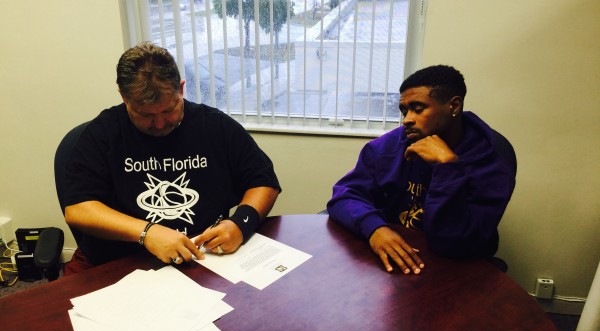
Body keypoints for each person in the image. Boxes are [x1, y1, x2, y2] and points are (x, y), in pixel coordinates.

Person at [62, 42, 281, 275]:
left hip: (203, 258)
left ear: (182, 89)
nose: (159, 124)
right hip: (124, 262)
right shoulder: (102, 134)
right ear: (123, 97)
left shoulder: (215, 127)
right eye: (145, 115)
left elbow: (263, 181)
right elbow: (77, 208)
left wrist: (240, 223)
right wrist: (147, 233)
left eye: (169, 110)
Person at [327, 65, 516, 275]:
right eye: (404, 110)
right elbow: (344, 197)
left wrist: (447, 167)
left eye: (418, 109)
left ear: (453, 106)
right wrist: (375, 229)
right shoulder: (389, 146)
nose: (407, 119)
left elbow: (455, 243)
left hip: (458, 268)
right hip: (397, 258)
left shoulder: (492, 158)